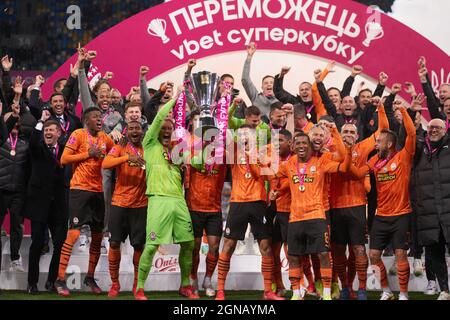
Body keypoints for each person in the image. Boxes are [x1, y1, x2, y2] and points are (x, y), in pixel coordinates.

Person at [350, 103, 416, 300]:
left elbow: (411, 135)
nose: (376, 144)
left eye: (379, 141)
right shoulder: (375, 162)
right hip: (380, 216)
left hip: (401, 215)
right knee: (374, 256)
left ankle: (403, 293)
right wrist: (346, 155)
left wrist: (404, 111)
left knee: (401, 255)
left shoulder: (403, 157)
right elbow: (357, 173)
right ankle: (386, 290)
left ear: (389, 144)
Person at [135, 92, 197, 300]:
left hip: (178, 201)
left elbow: (195, 163)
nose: (166, 130)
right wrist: (177, 98)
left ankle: (185, 285)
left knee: (188, 243)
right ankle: (140, 288)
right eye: (164, 127)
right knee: (152, 244)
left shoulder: (177, 151)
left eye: (170, 129)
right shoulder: (150, 144)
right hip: (158, 200)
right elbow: (160, 117)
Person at [274, 131, 351, 300]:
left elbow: (343, 165)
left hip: (317, 216)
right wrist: (275, 191)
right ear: (293, 147)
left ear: (310, 146)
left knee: (323, 254)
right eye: (298, 143)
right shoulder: (288, 165)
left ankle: (326, 293)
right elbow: (271, 174)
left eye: (304, 143)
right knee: (293, 256)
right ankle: (296, 293)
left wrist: (336, 135)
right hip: (295, 218)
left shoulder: (322, 161)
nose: (301, 146)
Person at [330, 97, 389, 300]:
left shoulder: (363, 148)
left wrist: (380, 107)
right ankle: (345, 287)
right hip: (335, 206)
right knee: (338, 251)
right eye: (344, 132)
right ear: (339, 134)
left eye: (351, 132)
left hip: (357, 206)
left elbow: (383, 130)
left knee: (357, 250)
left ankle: (361, 288)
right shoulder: (332, 151)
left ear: (357, 136)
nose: (348, 134)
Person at [215, 124, 282, 301]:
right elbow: (224, 132)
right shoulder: (234, 153)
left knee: (266, 247)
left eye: (248, 134)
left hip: (258, 202)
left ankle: (268, 291)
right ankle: (220, 290)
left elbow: (267, 174)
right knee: (228, 245)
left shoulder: (264, 154)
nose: (244, 137)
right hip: (238, 202)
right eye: (241, 134)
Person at [55, 107, 114, 296]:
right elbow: (64, 159)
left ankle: (90, 277)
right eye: (95, 117)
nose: (99, 119)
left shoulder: (105, 138)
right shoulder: (78, 134)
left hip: (98, 192)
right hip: (79, 190)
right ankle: (60, 279)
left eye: (100, 117)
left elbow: (116, 152)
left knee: (97, 237)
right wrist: (88, 154)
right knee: (73, 235)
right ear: (86, 120)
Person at [102, 121, 147, 298]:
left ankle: (138, 285)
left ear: (142, 132)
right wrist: (128, 158)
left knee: (138, 246)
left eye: (138, 128)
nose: (135, 131)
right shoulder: (120, 147)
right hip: (119, 203)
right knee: (114, 243)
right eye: (132, 129)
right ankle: (115, 284)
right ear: (126, 133)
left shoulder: (148, 148)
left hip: (141, 205)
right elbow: (106, 163)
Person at [26, 111, 67, 294]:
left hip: (59, 204)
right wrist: (40, 121)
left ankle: (51, 282)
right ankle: (31, 283)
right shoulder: (38, 147)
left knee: (59, 243)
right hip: (39, 203)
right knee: (36, 244)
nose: (48, 133)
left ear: (59, 132)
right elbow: (34, 140)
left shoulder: (66, 150)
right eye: (46, 130)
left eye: (52, 130)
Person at [413, 118, 450, 300]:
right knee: (436, 254)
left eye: (438, 127)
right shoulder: (420, 150)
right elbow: (407, 135)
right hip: (429, 212)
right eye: (431, 127)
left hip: (448, 210)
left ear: (445, 129)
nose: (434, 130)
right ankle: (444, 290)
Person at [187, 138, 227, 297]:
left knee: (214, 247)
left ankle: (208, 279)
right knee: (195, 247)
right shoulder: (193, 155)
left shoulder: (222, 156)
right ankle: (193, 279)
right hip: (194, 208)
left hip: (214, 209)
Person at [0, 104, 29, 273]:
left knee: (17, 226)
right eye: (11, 121)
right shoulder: (1, 141)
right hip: (1, 189)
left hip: (19, 191)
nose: (15, 124)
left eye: (17, 122)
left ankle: (15, 258)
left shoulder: (25, 144)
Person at [269, 129, 292, 297]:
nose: (276, 144)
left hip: (289, 209)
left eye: (281, 140)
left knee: (290, 250)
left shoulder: (296, 160)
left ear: (290, 143)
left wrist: (278, 191)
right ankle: (276, 283)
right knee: (272, 249)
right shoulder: (270, 159)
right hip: (271, 207)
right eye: (275, 141)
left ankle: (301, 285)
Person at [241, 42, 279, 120]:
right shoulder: (255, 97)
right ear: (262, 87)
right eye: (266, 83)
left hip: (277, 131)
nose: (269, 85)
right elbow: (245, 79)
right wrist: (249, 57)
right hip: (260, 130)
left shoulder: (281, 99)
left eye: (272, 83)